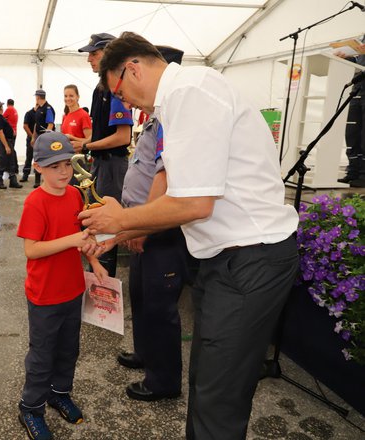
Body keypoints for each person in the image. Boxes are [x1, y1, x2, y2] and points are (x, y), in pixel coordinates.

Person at [79, 32, 300, 440]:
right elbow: (173, 185)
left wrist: (122, 220)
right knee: (206, 379)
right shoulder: (179, 100)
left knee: (218, 397)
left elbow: (195, 204)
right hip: (229, 259)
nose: (121, 103)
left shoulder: (191, 94)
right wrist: (119, 231)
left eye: (119, 91)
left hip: (251, 258)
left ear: (133, 68)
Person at [107, 46, 190, 404]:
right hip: (142, 221)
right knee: (140, 296)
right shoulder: (156, 117)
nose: (128, 100)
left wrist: (141, 225)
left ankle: (163, 379)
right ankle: (146, 352)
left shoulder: (175, 115)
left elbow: (164, 175)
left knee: (159, 306)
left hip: (158, 227)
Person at [17, 131, 107, 440]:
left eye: (67, 163)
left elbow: (84, 239)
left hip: (73, 290)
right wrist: (72, 240)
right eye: (55, 166)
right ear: (39, 167)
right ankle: (31, 407)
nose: (64, 172)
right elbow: (31, 249)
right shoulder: (35, 203)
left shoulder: (74, 195)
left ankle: (59, 393)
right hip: (44, 295)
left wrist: (94, 263)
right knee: (42, 355)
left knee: (69, 349)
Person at [77, 33, 134, 278]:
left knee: (107, 222)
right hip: (102, 163)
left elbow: (123, 137)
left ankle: (105, 283)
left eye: (94, 53)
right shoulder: (99, 89)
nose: (89, 58)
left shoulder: (115, 90)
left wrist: (88, 146)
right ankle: (98, 277)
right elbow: (102, 134)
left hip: (112, 165)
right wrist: (83, 142)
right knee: (98, 219)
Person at [335, 35, 365, 187]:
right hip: (357, 90)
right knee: (351, 133)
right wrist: (345, 57)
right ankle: (352, 171)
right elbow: (357, 63)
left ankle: (363, 174)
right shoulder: (361, 38)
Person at [0, 101, 22, 189]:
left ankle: (13, 180)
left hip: (8, 141)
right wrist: (6, 146)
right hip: (4, 142)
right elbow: (0, 133)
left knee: (11, 161)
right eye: (1, 106)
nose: (3, 108)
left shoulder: (0, 117)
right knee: (3, 161)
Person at [31, 89, 55, 188]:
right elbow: (36, 124)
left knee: (47, 158)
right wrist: (33, 137)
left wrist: (45, 139)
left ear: (38, 97)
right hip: (38, 137)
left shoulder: (48, 108)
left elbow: (50, 124)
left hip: (45, 138)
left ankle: (48, 179)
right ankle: (37, 180)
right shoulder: (39, 109)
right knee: (38, 158)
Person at [20, 105, 37, 182]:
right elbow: (25, 126)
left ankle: (38, 178)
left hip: (40, 139)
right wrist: (32, 136)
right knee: (29, 157)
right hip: (31, 139)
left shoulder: (42, 113)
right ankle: (25, 174)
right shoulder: (29, 113)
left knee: (39, 158)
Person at [3, 98, 19, 176]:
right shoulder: (15, 110)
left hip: (9, 133)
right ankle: (14, 167)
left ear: (7, 103)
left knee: (10, 150)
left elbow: (2, 119)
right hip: (14, 132)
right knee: (12, 149)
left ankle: (12, 167)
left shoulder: (8, 109)